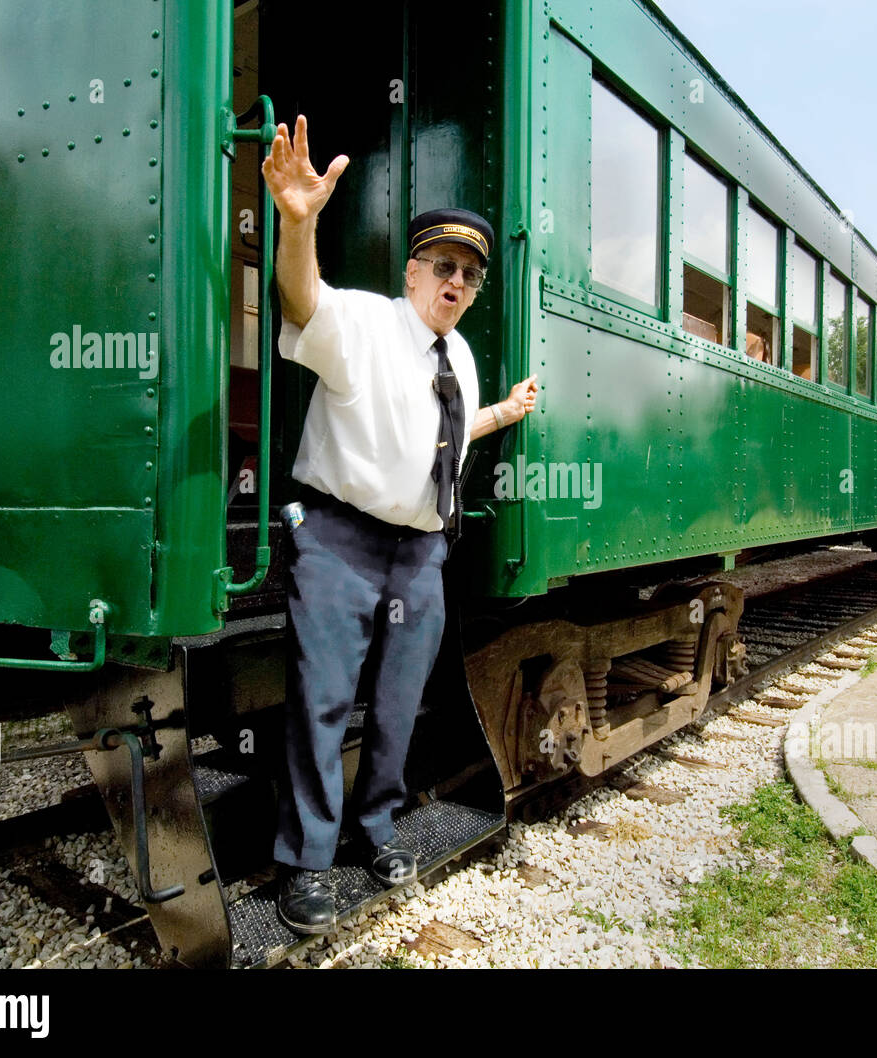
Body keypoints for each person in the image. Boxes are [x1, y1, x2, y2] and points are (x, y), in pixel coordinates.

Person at [262, 115, 540, 934]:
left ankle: (376, 829)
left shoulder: (458, 357)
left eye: (469, 276)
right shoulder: (364, 323)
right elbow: (299, 297)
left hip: (421, 554)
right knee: (319, 701)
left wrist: (503, 412)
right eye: (444, 267)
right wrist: (299, 220)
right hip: (340, 542)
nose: (456, 284)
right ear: (413, 271)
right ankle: (306, 862)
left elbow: (436, 431)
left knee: (397, 703)